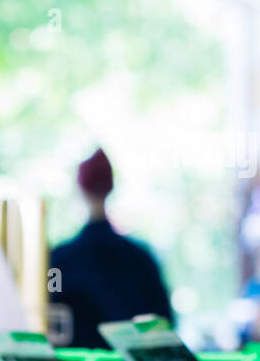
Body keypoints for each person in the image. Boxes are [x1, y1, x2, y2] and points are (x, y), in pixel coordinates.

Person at [48, 148, 173, 348]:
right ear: (111, 187)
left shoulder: (58, 262)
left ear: (79, 190)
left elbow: (50, 320)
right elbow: (164, 325)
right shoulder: (142, 259)